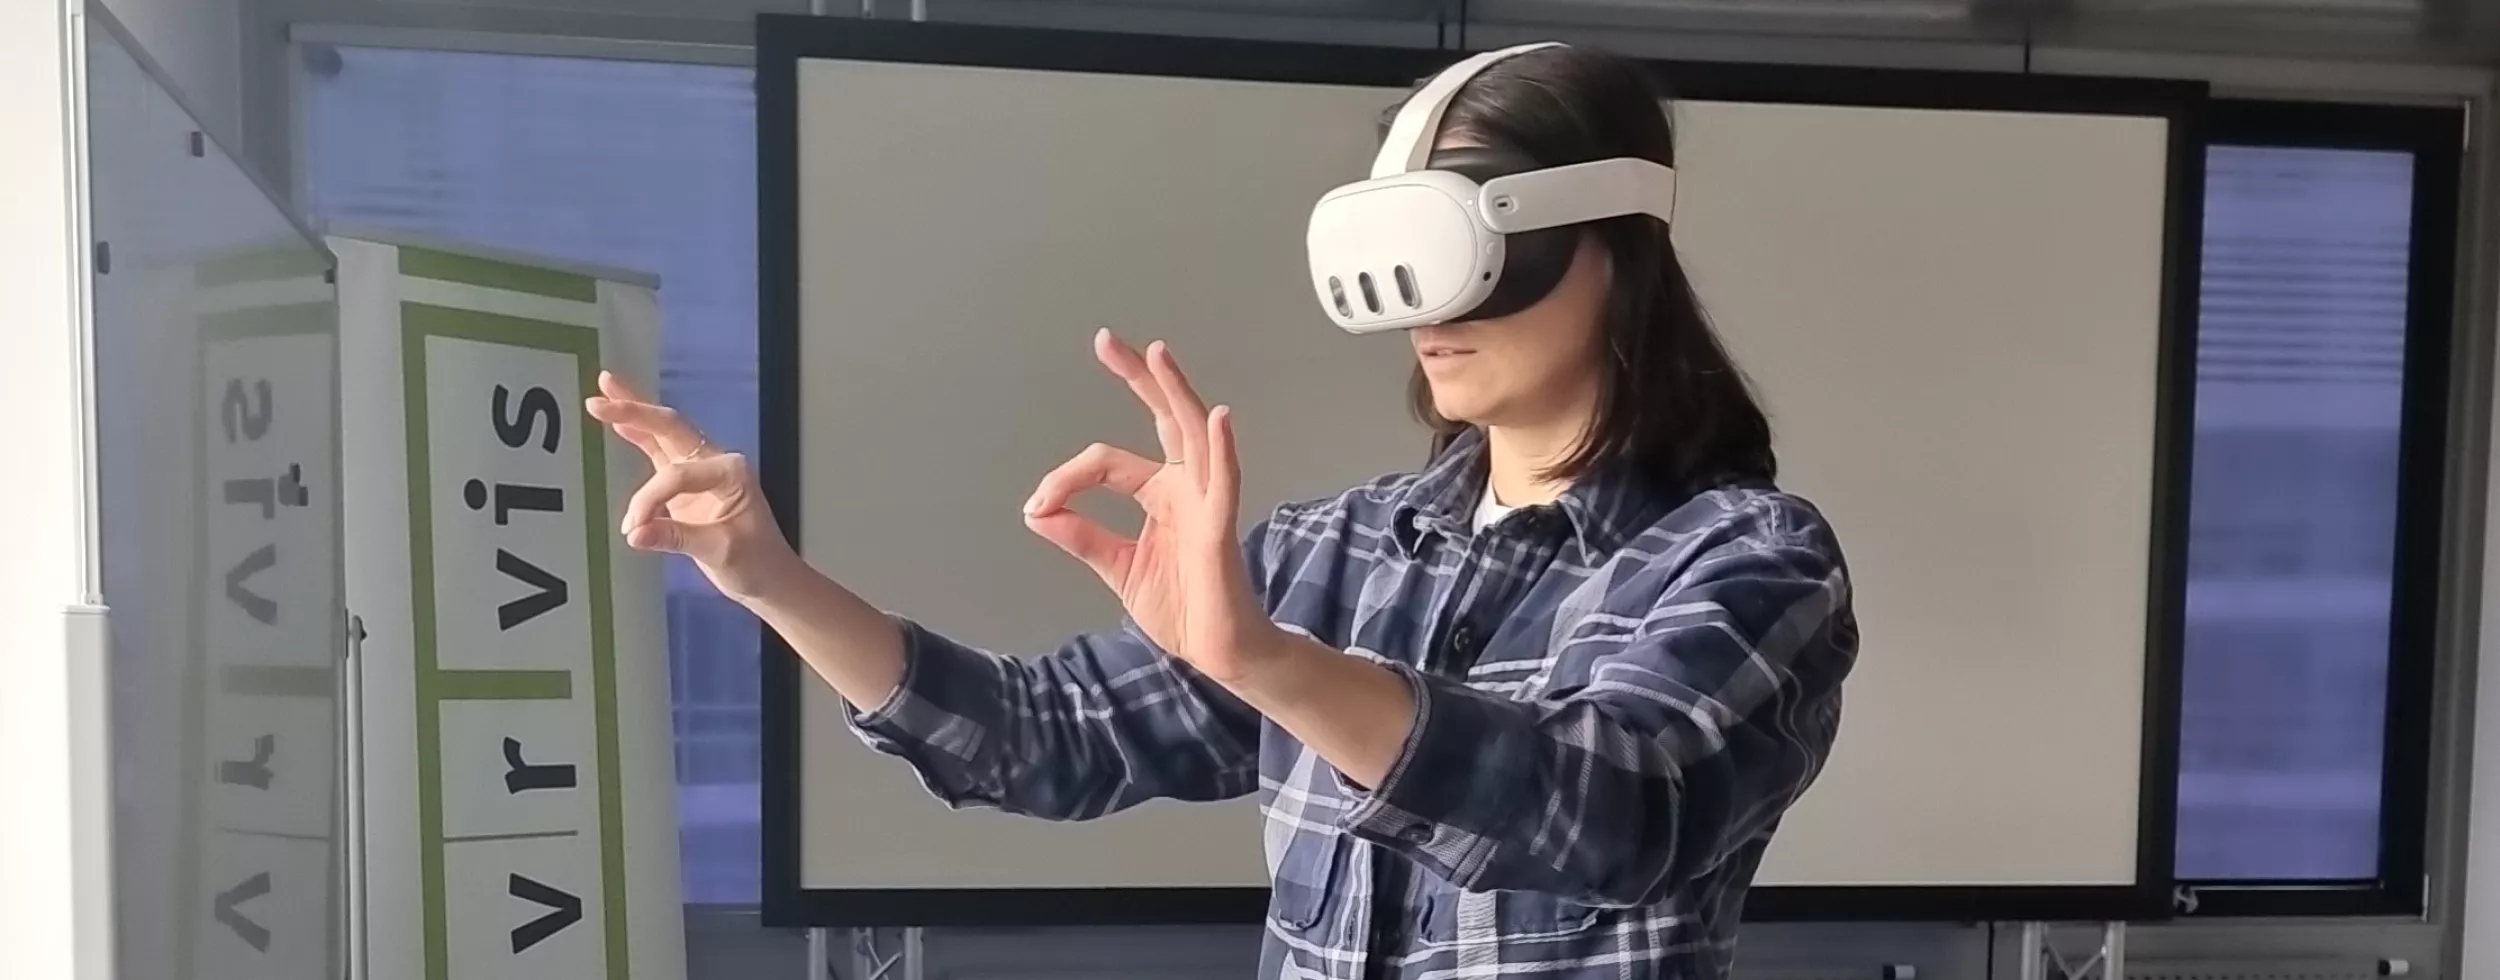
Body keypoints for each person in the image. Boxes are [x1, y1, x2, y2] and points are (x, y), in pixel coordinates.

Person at [588, 42, 1855, 980]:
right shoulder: (1337, 554)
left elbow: (1613, 811)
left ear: (1611, 245)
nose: (1431, 309)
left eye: (1470, 246)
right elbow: (1040, 737)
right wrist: (766, 575)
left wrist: (1267, 663)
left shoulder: (1744, 558)